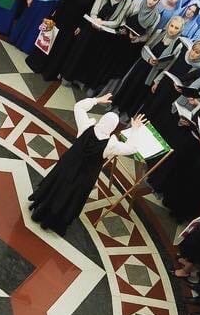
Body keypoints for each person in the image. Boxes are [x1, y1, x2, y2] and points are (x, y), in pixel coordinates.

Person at [28, 96, 142, 233]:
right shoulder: (111, 145)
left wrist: (96, 100)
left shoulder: (86, 126)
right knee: (69, 197)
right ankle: (52, 221)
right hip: (84, 177)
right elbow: (132, 148)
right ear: (113, 128)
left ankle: (39, 210)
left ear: (102, 119)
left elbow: (79, 107)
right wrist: (135, 129)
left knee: (56, 186)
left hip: (67, 166)